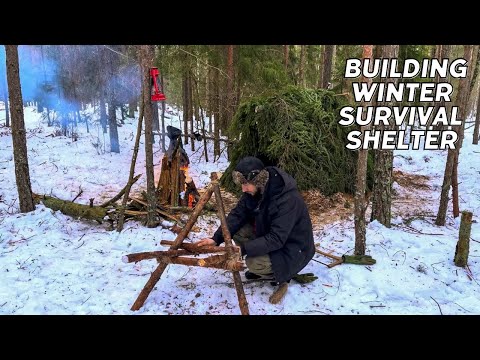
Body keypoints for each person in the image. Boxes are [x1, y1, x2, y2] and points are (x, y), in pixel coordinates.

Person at [196, 156, 315, 284]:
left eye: (246, 184)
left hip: (294, 249)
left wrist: (244, 249)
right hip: (273, 238)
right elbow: (237, 215)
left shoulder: (287, 199)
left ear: (259, 179)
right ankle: (267, 264)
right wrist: (216, 238)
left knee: (253, 263)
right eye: (242, 184)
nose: (243, 189)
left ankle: (278, 272)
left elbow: (277, 238)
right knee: (237, 230)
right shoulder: (255, 191)